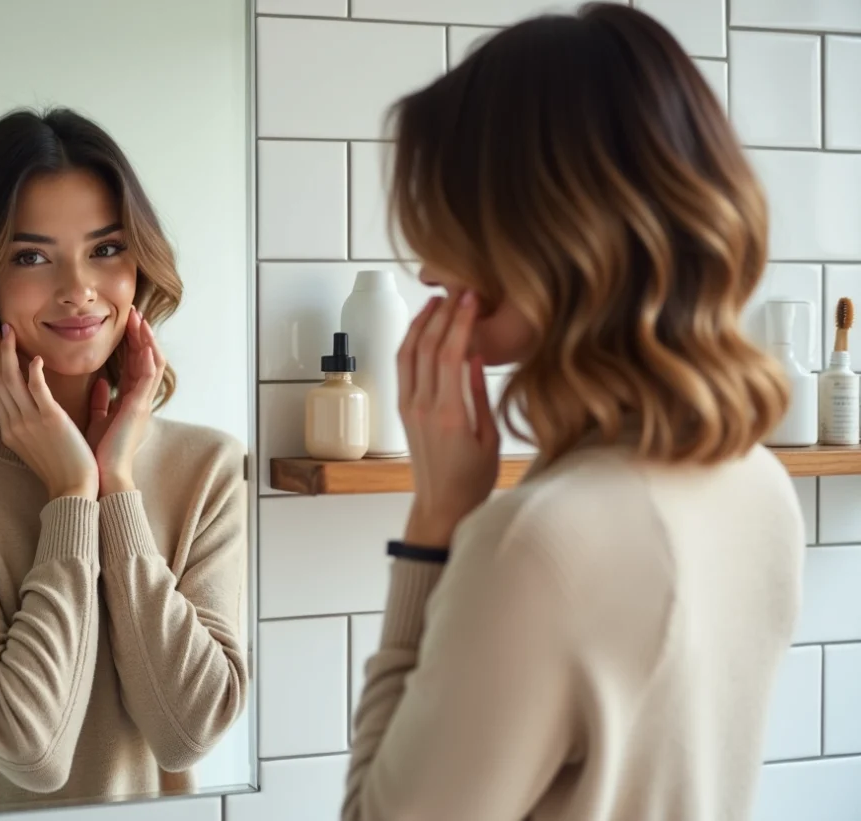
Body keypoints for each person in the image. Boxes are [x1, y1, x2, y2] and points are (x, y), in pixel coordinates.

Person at [344, 5, 804, 820]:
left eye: (448, 215)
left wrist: (437, 520)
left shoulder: (540, 546)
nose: (424, 265)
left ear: (543, 227)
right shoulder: (756, 482)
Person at [0, 108, 248, 819]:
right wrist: (71, 493)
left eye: (106, 249)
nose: (78, 288)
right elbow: (32, 747)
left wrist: (116, 488)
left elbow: (187, 731)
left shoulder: (211, 467)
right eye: (32, 256)